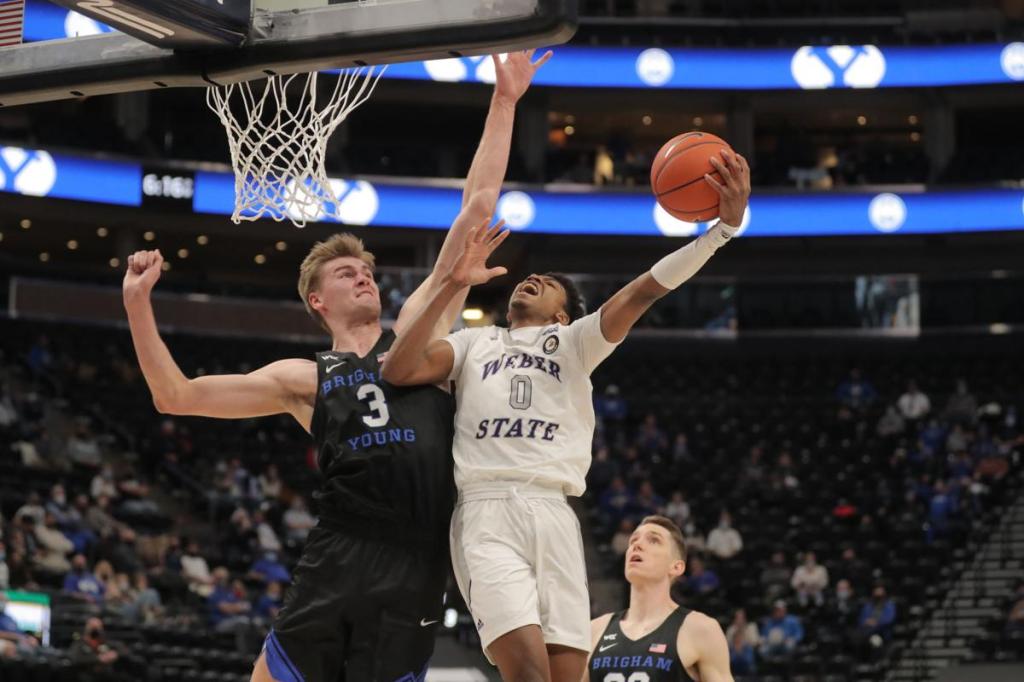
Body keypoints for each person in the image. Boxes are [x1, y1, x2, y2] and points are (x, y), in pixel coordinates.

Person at [122, 49, 548, 682]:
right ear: (317, 300)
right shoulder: (304, 377)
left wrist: (506, 100)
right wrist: (136, 303)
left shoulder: (420, 336)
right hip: (338, 553)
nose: (364, 278)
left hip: (416, 557)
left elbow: (477, 208)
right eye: (347, 273)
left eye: (369, 272)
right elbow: (175, 396)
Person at [383, 146, 750, 680]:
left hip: (555, 511)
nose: (530, 280)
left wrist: (721, 231)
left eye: (547, 282)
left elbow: (647, 287)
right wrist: (449, 282)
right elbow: (398, 368)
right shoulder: (472, 343)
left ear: (562, 312)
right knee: (527, 673)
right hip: (488, 511)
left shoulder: (576, 343)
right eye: (528, 279)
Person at [585, 516, 732, 682]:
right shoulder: (594, 630)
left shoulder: (702, 629)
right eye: (633, 540)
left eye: (654, 540)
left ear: (676, 567)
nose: (636, 545)